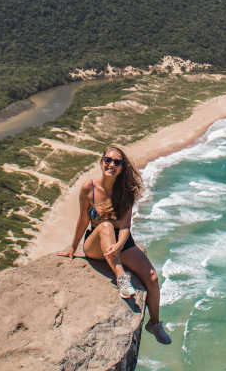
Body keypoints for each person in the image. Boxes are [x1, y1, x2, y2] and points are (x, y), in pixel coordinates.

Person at [56, 145, 171, 345]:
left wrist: (118, 246)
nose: (111, 164)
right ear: (101, 162)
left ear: (122, 167)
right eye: (107, 160)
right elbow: (83, 220)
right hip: (96, 243)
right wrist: (72, 247)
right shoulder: (88, 188)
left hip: (120, 241)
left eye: (116, 162)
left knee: (152, 278)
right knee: (106, 226)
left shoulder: (126, 192)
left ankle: (154, 323)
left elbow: (126, 226)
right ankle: (121, 278)